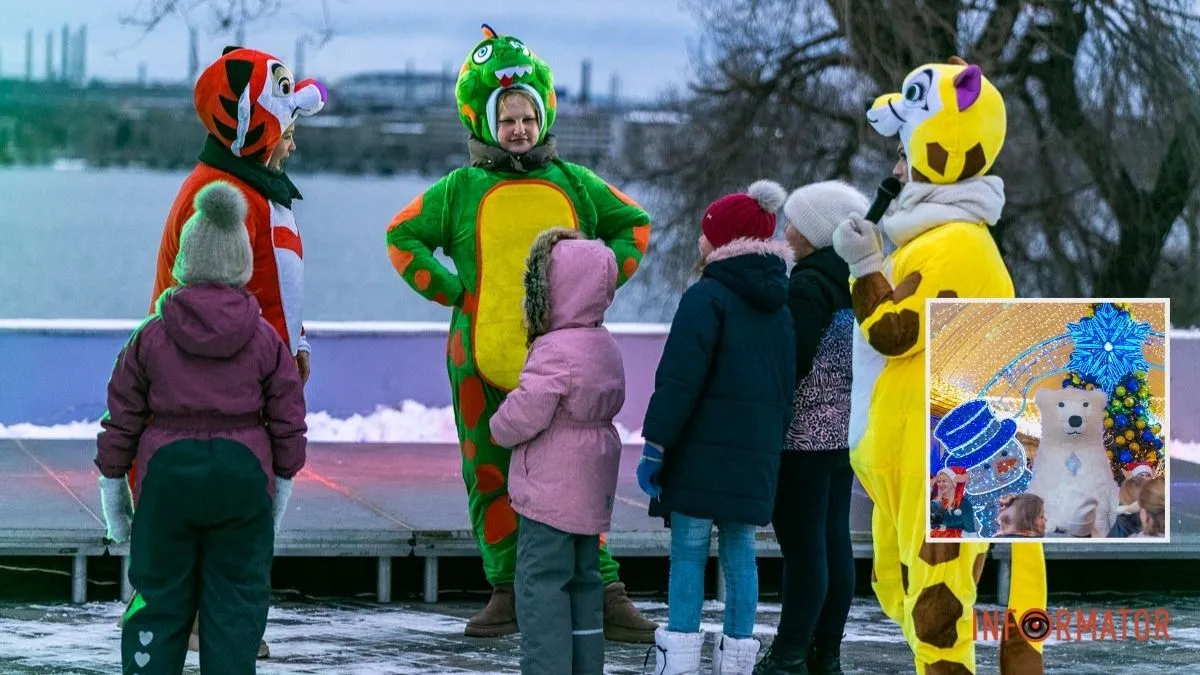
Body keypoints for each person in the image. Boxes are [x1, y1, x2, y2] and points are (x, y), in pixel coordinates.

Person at [385, 24, 656, 641]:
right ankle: (506, 589)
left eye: (528, 117)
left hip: (567, 363)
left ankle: (604, 590)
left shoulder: (575, 182)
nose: (518, 129)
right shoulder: (460, 189)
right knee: (489, 475)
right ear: (485, 121)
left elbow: (634, 225)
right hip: (479, 359)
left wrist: (598, 284)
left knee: (579, 474)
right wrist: (454, 292)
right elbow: (402, 236)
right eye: (506, 119)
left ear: (544, 115)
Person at [840, 56, 1046, 673]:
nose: (896, 169)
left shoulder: (955, 244)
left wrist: (863, 267)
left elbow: (893, 333)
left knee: (937, 609)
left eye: (904, 152)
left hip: (944, 461)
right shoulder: (933, 238)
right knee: (905, 592)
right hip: (920, 455)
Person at [138, 45, 324, 657]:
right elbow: (226, 302)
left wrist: (295, 342)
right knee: (222, 514)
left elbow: (270, 288)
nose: (293, 143)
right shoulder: (226, 198)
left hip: (236, 384)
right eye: (287, 130)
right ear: (260, 130)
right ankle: (203, 622)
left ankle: (212, 620)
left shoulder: (241, 186)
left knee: (228, 510)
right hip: (216, 392)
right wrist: (277, 364)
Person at [95, 182, 307, 674]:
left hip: (166, 482)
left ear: (185, 257)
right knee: (236, 600)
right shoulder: (265, 340)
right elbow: (289, 421)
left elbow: (121, 416)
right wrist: (280, 487)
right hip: (242, 483)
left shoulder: (150, 336)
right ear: (241, 262)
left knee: (158, 594)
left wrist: (113, 489)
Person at [638, 180, 795, 674]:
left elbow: (679, 380)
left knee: (688, 553)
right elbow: (784, 389)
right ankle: (737, 662)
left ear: (725, 240)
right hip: (755, 455)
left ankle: (680, 662)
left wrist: (656, 446)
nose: (699, 239)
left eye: (707, 232)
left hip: (698, 454)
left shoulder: (706, 297)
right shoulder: (781, 307)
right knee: (741, 554)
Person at [489, 228, 624, 675]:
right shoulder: (605, 343)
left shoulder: (554, 349)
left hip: (551, 491)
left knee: (540, 583)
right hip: (592, 487)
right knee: (585, 583)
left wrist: (498, 427)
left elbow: (528, 411)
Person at [753, 181, 865, 675]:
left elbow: (791, 361)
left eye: (796, 222)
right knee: (834, 543)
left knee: (803, 551)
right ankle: (826, 653)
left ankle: (788, 654)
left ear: (818, 233)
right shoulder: (857, 280)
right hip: (842, 435)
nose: (787, 230)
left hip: (802, 439)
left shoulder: (806, 286)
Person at [928, 466, 977, 538]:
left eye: (944, 481)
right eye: (938, 481)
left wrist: (945, 528)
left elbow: (970, 531)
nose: (941, 484)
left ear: (953, 483)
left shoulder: (964, 504)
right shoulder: (935, 502)